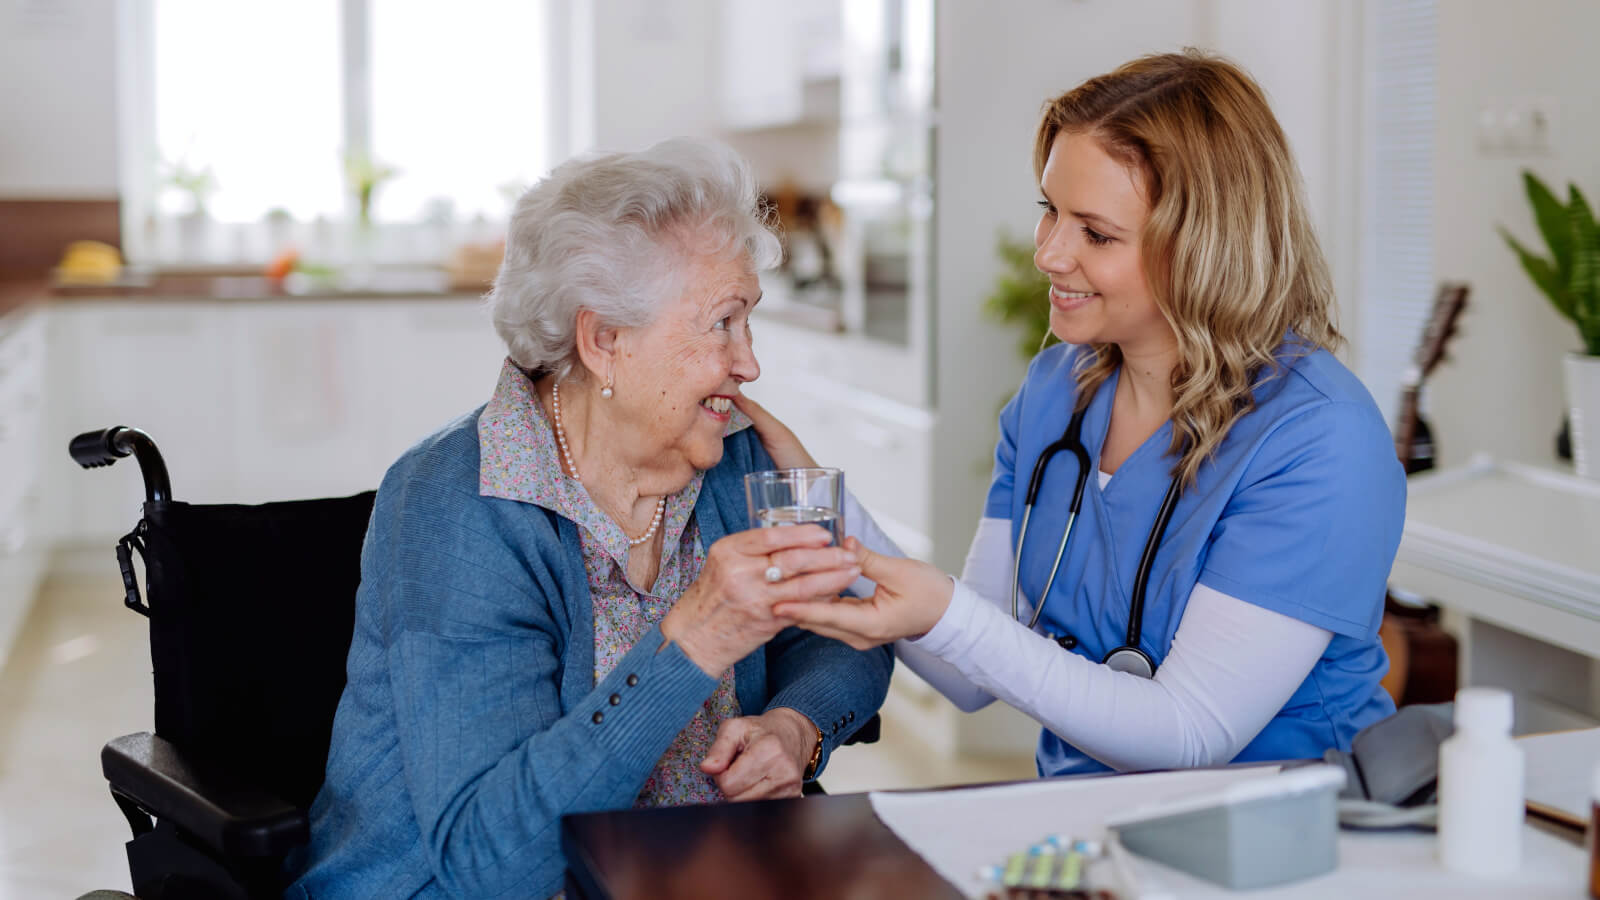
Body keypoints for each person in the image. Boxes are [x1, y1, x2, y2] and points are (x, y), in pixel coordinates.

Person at [740, 50, 1404, 778]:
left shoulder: (1318, 440)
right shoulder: (1056, 393)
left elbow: (1188, 734)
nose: (1051, 254)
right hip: (1089, 826)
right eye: (1049, 211)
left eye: (1096, 233)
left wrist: (945, 612)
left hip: (1285, 837)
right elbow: (968, 674)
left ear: (1204, 247)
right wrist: (822, 509)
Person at [287, 138, 892, 899]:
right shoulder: (460, 504)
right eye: (721, 324)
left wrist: (796, 728)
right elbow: (492, 865)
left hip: (692, 873)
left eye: (750, 321)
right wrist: (696, 641)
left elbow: (849, 630)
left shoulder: (734, 455)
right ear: (604, 339)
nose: (749, 363)